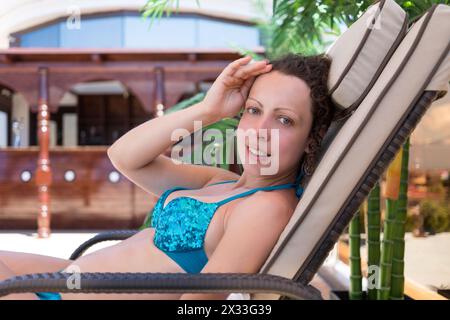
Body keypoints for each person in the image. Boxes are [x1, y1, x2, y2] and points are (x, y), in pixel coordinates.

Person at [0, 53, 336, 300]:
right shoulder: (220, 182)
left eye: (285, 120)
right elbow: (125, 157)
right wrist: (209, 109)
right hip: (66, 279)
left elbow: (201, 303)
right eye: (254, 110)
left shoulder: (268, 208)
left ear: (311, 140)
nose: (259, 131)